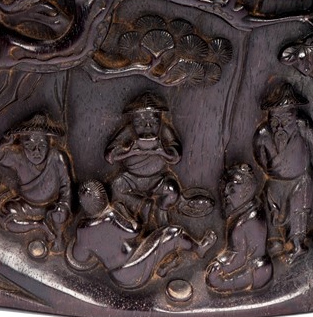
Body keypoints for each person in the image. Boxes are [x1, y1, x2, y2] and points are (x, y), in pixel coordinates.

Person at [66, 180, 216, 289]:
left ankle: (164, 266)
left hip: (116, 277)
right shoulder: (110, 217)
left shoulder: (82, 230)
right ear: (104, 199)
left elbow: (80, 257)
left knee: (158, 242)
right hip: (133, 267)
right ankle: (198, 248)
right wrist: (125, 213)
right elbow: (134, 231)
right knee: (173, 234)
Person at [0, 113, 72, 253]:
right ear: (23, 146)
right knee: (5, 217)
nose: (36, 151)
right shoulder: (19, 158)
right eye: (30, 146)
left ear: (49, 144)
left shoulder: (57, 158)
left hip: (52, 207)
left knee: (60, 214)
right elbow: (1, 157)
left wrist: (63, 204)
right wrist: (4, 143)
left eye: (42, 145)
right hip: (26, 205)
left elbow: (66, 186)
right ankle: (38, 225)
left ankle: (58, 238)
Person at [253, 82, 313, 259]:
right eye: (275, 122)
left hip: (300, 178)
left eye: (286, 121)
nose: (280, 128)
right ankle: (275, 240)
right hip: (275, 181)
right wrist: (273, 170)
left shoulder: (302, 127)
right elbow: (260, 157)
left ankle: (297, 245)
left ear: (295, 118)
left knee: (298, 212)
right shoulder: (264, 135)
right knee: (271, 207)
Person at [105, 92, 182, 228]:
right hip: (130, 179)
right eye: (140, 123)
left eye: (153, 123)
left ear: (160, 120)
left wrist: (162, 152)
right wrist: (129, 152)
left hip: (158, 179)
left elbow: (176, 156)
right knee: (115, 187)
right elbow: (110, 156)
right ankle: (141, 207)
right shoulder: (128, 131)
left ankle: (161, 214)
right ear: (133, 122)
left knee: (172, 190)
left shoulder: (164, 130)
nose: (147, 127)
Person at [206, 163, 272, 293]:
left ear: (246, 191)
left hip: (255, 272)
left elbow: (239, 257)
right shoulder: (253, 207)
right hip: (259, 267)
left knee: (215, 282)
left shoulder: (244, 222)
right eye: (224, 190)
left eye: (232, 190)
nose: (226, 195)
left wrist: (220, 265)